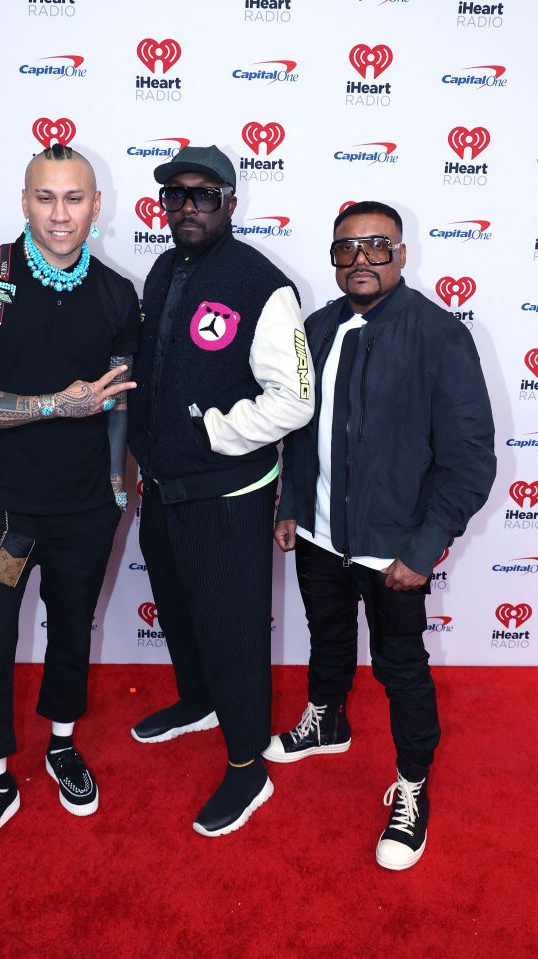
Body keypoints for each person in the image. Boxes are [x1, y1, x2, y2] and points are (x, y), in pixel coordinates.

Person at [265, 200, 496, 869]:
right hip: (320, 537)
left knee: (402, 667)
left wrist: (423, 550)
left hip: (395, 551)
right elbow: (301, 431)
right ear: (333, 257)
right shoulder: (318, 328)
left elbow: (471, 457)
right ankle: (327, 720)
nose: (361, 258)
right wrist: (292, 506)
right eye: (347, 247)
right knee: (327, 636)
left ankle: (413, 783)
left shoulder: (438, 334)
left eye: (377, 245)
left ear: (401, 252)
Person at [0, 144, 140, 867]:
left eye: (74, 198)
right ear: (24, 201)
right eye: (46, 198)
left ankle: (61, 743)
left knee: (72, 632)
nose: (60, 214)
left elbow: (118, 402)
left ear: (96, 204)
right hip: (5, 510)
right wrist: (59, 404)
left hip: (87, 508)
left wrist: (118, 484)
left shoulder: (118, 294)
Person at [127, 145, 314, 837]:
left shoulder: (263, 283)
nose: (187, 208)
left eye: (203, 195)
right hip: (163, 484)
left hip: (228, 492)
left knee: (233, 630)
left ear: (231, 201)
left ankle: (247, 766)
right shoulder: (162, 266)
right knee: (178, 609)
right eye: (175, 196)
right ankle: (199, 700)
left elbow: (294, 399)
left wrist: (213, 433)